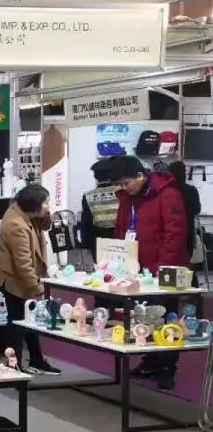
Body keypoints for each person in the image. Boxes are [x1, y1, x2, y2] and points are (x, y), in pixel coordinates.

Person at [112, 156, 190, 389]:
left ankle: (168, 367)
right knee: (143, 315)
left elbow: (174, 234)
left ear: (140, 176)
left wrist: (163, 269)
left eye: (127, 183)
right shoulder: (128, 198)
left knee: (167, 317)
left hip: (164, 271)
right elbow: (122, 229)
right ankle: (151, 361)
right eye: (120, 184)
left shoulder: (168, 194)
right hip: (137, 268)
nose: (124, 187)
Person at [0, 183, 60, 374]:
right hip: (14, 281)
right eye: (45, 203)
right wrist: (39, 289)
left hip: (23, 278)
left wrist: (46, 212)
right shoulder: (16, 225)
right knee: (17, 324)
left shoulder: (26, 213)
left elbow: (46, 226)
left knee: (30, 321)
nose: (48, 205)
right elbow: (23, 265)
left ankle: (36, 360)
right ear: (33, 206)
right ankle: (14, 366)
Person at [79, 158, 122, 257]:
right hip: (121, 239)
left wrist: (86, 246)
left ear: (96, 177)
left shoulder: (88, 196)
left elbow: (86, 224)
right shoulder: (122, 192)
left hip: (98, 242)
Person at [167, 161, 202, 266]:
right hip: (187, 232)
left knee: (170, 265)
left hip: (170, 233)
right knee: (185, 264)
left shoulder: (166, 192)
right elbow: (197, 210)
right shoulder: (191, 190)